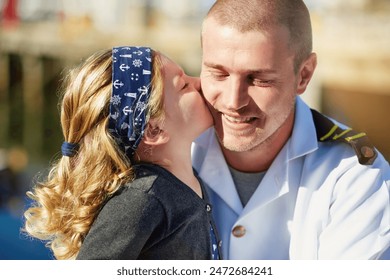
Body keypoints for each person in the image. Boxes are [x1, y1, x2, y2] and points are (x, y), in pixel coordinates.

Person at [192, 0, 390, 259]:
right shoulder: (163, 148)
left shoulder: (356, 177)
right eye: (218, 74)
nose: (233, 101)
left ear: (304, 75)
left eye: (259, 79)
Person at [23, 46, 222, 260]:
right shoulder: (141, 200)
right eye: (183, 85)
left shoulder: (190, 177)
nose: (199, 82)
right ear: (154, 130)